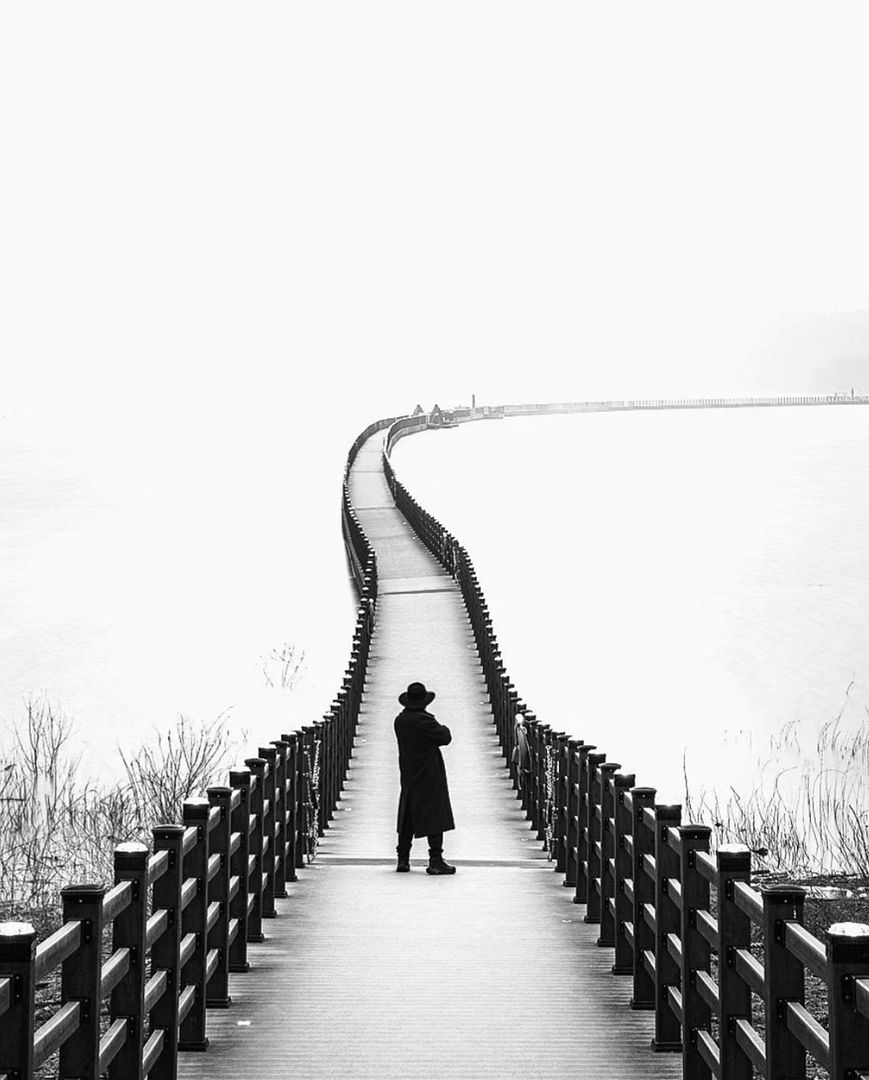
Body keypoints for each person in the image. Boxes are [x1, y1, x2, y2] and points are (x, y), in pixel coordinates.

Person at [393, 681, 456, 875]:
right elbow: (445, 737)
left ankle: (403, 859)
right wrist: (441, 725)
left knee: (408, 814)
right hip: (429, 773)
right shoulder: (426, 721)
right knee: (435, 813)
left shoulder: (400, 721)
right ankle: (435, 860)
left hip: (409, 772)